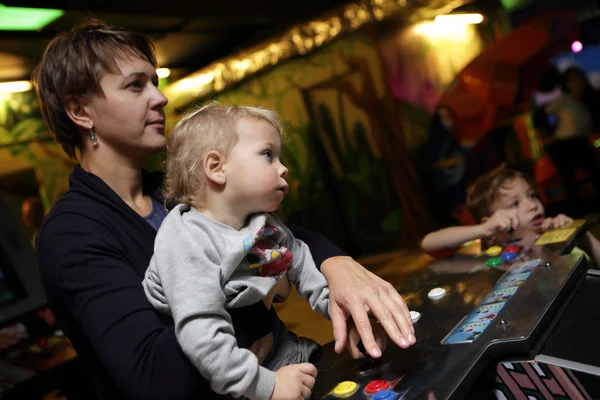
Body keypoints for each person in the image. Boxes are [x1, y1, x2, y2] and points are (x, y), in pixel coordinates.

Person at [33, 19, 415, 400]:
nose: (160, 97)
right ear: (81, 111)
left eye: (155, 82)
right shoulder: (71, 235)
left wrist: (335, 266)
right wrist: (257, 295)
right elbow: (154, 377)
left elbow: (273, 236)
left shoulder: (173, 197)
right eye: (135, 85)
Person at [144, 104, 334, 399]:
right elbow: (203, 336)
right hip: (239, 384)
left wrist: (345, 315)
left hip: (288, 355)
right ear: (217, 168)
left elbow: (303, 269)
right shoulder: (186, 240)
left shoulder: (258, 225)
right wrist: (269, 388)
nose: (283, 167)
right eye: (268, 154)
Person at [420, 164, 600, 267]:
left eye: (531, 195)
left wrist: (579, 233)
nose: (532, 205)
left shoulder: (552, 231)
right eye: (515, 204)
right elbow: (428, 243)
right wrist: (483, 230)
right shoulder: (492, 243)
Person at [544, 66, 600, 215]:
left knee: (594, 170)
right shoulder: (563, 100)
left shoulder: (589, 99)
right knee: (568, 178)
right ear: (566, 83)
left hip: (583, 141)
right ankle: (576, 213)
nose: (576, 82)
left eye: (578, 78)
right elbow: (542, 115)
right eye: (572, 80)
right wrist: (546, 134)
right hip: (564, 143)